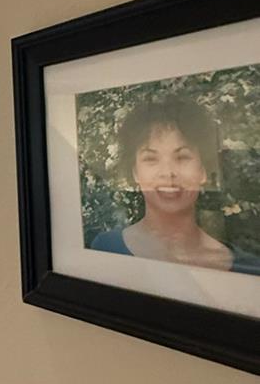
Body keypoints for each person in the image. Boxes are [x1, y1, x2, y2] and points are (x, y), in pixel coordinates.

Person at [91, 95, 259, 275]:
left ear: (203, 171)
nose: (168, 172)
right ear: (135, 173)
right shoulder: (106, 248)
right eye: (151, 159)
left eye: (182, 157)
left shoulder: (248, 270)